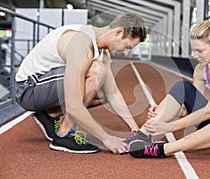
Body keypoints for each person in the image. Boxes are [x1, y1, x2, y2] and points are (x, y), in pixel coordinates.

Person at [15, 12, 149, 154]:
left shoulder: (103, 53)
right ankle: (64, 134)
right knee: (97, 71)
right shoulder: (81, 43)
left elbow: (113, 93)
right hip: (28, 89)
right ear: (118, 32)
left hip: (44, 88)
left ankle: (50, 114)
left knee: (103, 93)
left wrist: (136, 130)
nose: (127, 53)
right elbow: (74, 106)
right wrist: (106, 138)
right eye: (127, 47)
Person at [128, 15, 210, 158]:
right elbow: (192, 109)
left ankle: (163, 149)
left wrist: (169, 126)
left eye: (199, 51)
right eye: (193, 50)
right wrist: (162, 113)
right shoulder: (201, 69)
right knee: (183, 86)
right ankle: (141, 135)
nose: (195, 55)